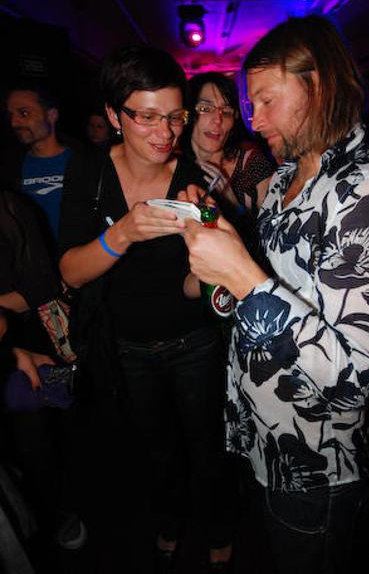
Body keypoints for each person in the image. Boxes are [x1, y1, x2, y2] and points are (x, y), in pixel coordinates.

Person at [182, 15, 369, 574]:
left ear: (317, 86)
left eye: (267, 100)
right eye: (251, 104)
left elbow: (352, 380)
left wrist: (245, 279)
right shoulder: (290, 171)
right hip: (268, 435)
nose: (254, 119)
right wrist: (220, 243)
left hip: (317, 462)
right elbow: (276, 278)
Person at [58, 45, 233, 571]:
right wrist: (123, 233)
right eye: (148, 117)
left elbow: (192, 285)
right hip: (126, 347)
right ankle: (170, 521)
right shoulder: (89, 170)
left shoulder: (191, 181)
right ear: (114, 116)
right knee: (156, 450)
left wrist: (210, 266)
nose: (166, 133)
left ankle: (218, 525)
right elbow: (70, 272)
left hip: (193, 343)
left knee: (207, 446)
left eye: (175, 117)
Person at [0, 188, 87, 555]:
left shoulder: (8, 208)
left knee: (36, 445)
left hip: (20, 350)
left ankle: (58, 513)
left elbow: (40, 287)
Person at [183, 71, 276, 244]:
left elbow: (275, 235)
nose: (217, 120)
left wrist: (231, 203)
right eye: (205, 109)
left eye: (226, 112)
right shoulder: (173, 164)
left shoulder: (251, 164)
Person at [2, 84, 78, 249]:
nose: (14, 122)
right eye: (10, 115)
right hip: (32, 261)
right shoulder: (9, 168)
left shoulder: (85, 162)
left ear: (51, 115)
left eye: (24, 113)